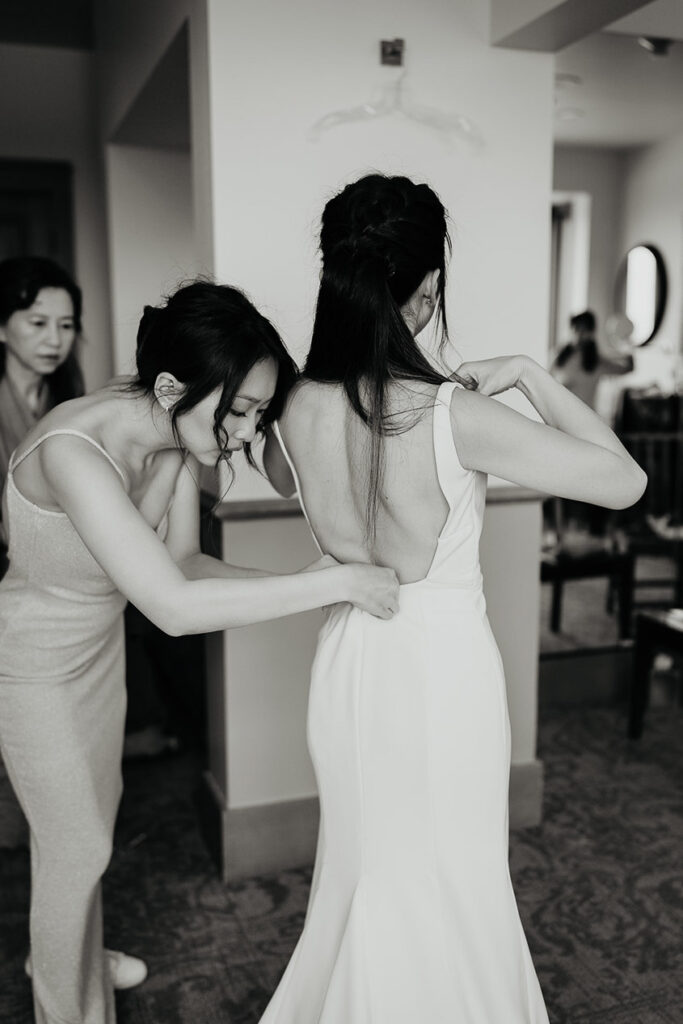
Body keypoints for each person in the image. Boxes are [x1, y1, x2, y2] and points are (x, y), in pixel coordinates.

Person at [261, 173, 647, 1023]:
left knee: (362, 866)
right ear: (427, 288)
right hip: (440, 674)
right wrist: (530, 376)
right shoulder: (449, 414)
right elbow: (624, 480)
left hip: (350, 662)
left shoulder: (290, 406)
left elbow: (268, 470)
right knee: (451, 877)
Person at [0, 280, 399, 1024]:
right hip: (31, 666)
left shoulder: (174, 442)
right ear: (170, 385)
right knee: (75, 847)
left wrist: (304, 579)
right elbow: (172, 609)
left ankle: (75, 957)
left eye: (257, 413)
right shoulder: (71, 451)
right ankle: (68, 1007)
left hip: (97, 654)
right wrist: (332, 583)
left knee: (95, 824)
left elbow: (181, 565)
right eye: (240, 411)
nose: (248, 434)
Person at [0, 256, 85, 576]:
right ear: (2, 328)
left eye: (66, 325)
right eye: (38, 323)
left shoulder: (70, 405)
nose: (54, 340)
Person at [550, 309, 634, 412]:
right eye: (576, 328)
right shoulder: (558, 356)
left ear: (591, 333)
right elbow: (546, 385)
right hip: (557, 416)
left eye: (584, 330)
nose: (579, 334)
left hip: (583, 419)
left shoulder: (597, 362)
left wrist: (626, 341)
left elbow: (627, 368)